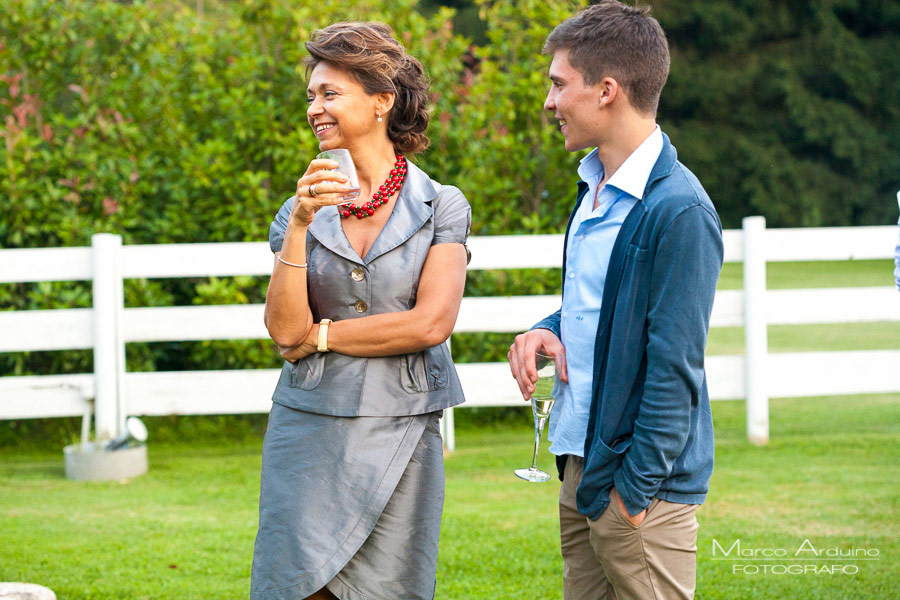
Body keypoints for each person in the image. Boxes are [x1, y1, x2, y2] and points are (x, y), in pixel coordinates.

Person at [507, 2, 723, 599]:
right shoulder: (593, 188)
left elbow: (674, 367)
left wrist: (633, 496)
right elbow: (602, 312)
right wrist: (546, 329)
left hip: (639, 489)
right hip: (581, 467)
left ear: (607, 90)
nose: (549, 102)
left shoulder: (678, 211)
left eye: (558, 84)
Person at [250, 22, 470, 600]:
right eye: (311, 96)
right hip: (308, 429)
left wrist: (321, 336)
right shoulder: (295, 210)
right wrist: (299, 225)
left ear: (381, 101)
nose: (315, 109)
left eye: (330, 93)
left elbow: (431, 323)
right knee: (300, 586)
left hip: (403, 428)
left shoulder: (441, 205)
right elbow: (282, 331)